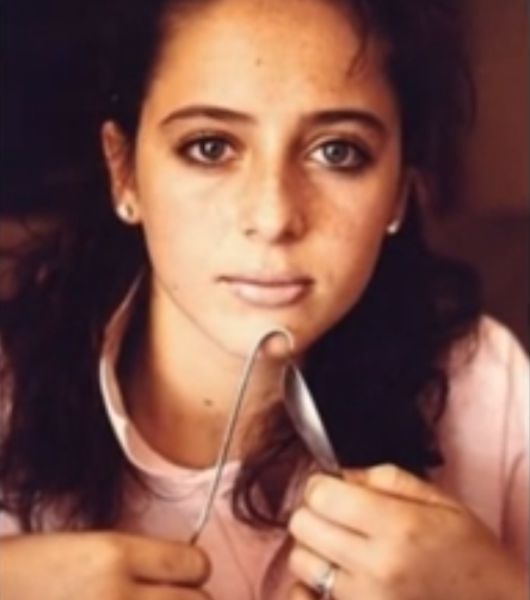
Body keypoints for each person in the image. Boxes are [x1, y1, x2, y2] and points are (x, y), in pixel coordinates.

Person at [0, 0, 527, 598]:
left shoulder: (487, 385)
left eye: (337, 152)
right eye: (210, 147)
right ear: (124, 172)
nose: (274, 217)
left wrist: (499, 591)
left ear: (400, 193)